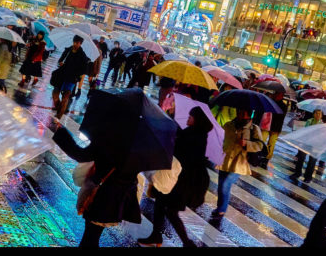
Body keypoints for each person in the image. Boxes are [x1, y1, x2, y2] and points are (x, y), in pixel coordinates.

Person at [50, 118, 142, 247]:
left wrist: (60, 131)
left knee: (90, 239)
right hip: (120, 199)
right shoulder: (140, 144)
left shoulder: (109, 138)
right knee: (92, 237)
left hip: (102, 196)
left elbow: (80, 154)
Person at [138, 107, 212, 247]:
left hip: (183, 180)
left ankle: (187, 243)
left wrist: (174, 139)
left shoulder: (197, 136)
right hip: (177, 176)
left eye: (191, 116)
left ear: (198, 119)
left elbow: (183, 152)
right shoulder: (193, 132)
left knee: (171, 210)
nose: (188, 118)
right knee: (160, 203)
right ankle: (156, 235)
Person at [210, 108, 264, 224]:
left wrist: (246, 144)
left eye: (243, 113)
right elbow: (221, 139)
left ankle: (221, 211)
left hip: (239, 162)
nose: (240, 114)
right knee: (221, 186)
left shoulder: (254, 128)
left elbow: (260, 145)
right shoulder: (228, 125)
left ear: (249, 115)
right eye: (239, 112)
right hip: (225, 159)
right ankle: (219, 207)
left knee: (225, 184)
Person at [51, 35, 89, 119]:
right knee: (55, 95)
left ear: (80, 43)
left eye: (77, 43)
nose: (75, 44)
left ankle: (58, 116)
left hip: (72, 78)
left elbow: (84, 70)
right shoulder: (68, 50)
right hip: (61, 76)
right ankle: (59, 108)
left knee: (65, 98)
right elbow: (60, 60)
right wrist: (60, 62)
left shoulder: (82, 55)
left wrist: (75, 73)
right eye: (74, 42)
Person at [291, 109, 323, 182]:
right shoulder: (309, 121)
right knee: (301, 157)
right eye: (316, 113)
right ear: (314, 114)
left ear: (321, 116)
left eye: (319, 114)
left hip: (316, 145)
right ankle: (297, 173)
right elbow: (305, 131)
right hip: (306, 142)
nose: (318, 115)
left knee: (312, 161)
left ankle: (308, 177)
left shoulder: (322, 125)